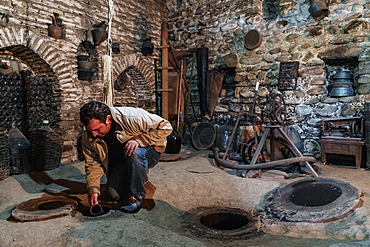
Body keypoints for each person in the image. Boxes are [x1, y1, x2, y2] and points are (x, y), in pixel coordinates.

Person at [79, 101, 172, 212]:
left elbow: (166, 127)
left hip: (149, 152)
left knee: (135, 151)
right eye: (90, 130)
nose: (93, 134)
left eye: (97, 129)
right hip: (121, 160)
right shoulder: (87, 135)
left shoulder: (132, 117)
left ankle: (137, 196)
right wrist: (93, 189)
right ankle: (137, 176)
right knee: (114, 195)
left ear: (108, 119)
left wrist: (139, 140)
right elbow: (92, 162)